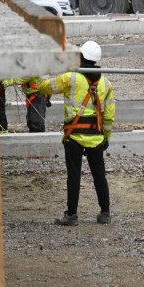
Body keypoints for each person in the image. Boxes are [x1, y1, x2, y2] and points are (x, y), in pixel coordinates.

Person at [36, 40, 115, 226]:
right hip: (96, 137)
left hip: (74, 137)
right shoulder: (106, 83)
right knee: (99, 175)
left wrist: (42, 70)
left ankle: (71, 215)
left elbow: (44, 87)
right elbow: (109, 116)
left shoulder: (70, 78)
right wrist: (106, 138)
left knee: (74, 176)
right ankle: (105, 213)